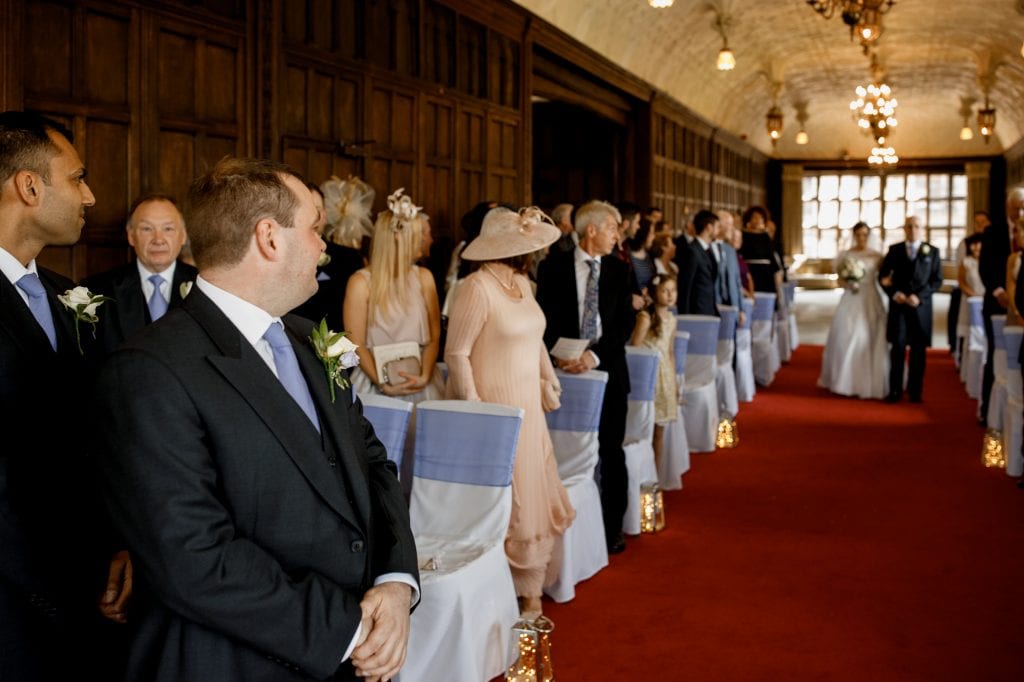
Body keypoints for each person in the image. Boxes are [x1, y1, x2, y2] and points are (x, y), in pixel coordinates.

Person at [92, 156, 418, 681]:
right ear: (269, 237)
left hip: (354, 647)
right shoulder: (149, 369)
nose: (323, 245)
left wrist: (396, 580)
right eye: (314, 228)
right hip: (240, 661)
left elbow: (374, 464)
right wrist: (352, 629)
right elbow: (194, 557)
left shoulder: (312, 341)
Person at [0, 110, 127, 679]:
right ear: (29, 186)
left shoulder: (66, 295)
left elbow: (92, 435)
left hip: (88, 593)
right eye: (77, 177)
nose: (92, 196)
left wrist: (118, 544)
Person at [445, 206, 574, 618]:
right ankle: (509, 588)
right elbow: (457, 353)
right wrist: (476, 412)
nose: (536, 250)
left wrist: (549, 377)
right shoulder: (476, 287)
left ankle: (531, 586)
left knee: (533, 489)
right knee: (513, 496)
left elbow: (536, 340)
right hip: (495, 407)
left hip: (529, 405)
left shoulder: (522, 282)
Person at [536, 200, 635, 555]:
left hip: (608, 370)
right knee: (561, 451)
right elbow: (541, 319)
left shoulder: (620, 270)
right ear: (590, 230)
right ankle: (564, 528)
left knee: (611, 449)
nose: (617, 235)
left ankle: (612, 528)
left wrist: (593, 355)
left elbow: (626, 323)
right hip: (562, 374)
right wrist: (561, 357)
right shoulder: (552, 267)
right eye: (613, 228)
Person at [343, 188, 445, 402]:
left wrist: (425, 376)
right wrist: (382, 383)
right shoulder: (361, 283)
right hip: (375, 383)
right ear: (399, 238)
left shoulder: (424, 277)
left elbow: (434, 336)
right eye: (417, 234)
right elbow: (356, 342)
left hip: (421, 380)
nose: (425, 240)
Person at [83, 193, 197, 354]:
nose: (158, 239)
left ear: (183, 235)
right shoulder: (97, 291)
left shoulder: (203, 285)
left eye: (168, 229)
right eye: (147, 229)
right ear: (131, 236)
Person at [818, 222, 889, 399]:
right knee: (847, 335)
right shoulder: (846, 255)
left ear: (869, 235)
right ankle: (845, 381)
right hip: (851, 297)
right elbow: (839, 281)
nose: (861, 238)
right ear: (854, 235)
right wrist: (849, 283)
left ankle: (871, 381)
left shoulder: (878, 256)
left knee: (869, 335)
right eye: (858, 234)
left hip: (870, 297)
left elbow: (884, 278)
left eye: (865, 235)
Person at [879, 216, 943, 403]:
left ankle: (915, 391)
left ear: (922, 229)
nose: (913, 229)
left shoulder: (932, 252)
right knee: (897, 348)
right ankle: (895, 390)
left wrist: (920, 297)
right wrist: (893, 292)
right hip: (899, 308)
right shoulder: (894, 250)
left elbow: (937, 280)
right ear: (904, 229)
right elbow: (883, 277)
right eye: (909, 226)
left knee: (918, 351)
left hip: (920, 309)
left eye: (916, 226)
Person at [290, 178, 367, 330]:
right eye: (306, 210)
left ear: (324, 216)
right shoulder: (282, 258)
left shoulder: (349, 259)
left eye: (317, 209)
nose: (314, 217)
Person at [630, 274, 679, 469]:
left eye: (673, 290)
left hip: (665, 376)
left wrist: (674, 382)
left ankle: (656, 477)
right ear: (654, 292)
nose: (669, 295)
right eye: (665, 290)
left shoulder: (671, 319)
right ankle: (644, 474)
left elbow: (670, 352)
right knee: (647, 428)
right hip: (650, 376)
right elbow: (635, 349)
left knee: (660, 430)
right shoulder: (646, 317)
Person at [676, 209, 719, 316]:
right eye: (717, 227)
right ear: (709, 227)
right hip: (696, 311)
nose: (719, 231)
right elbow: (685, 285)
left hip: (708, 309)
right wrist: (685, 315)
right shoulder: (692, 251)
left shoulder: (708, 249)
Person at [739, 205, 780, 296]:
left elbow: (771, 256)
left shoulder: (765, 236)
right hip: (749, 271)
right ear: (749, 219)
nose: (758, 220)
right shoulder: (743, 235)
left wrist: (777, 279)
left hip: (765, 273)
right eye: (755, 217)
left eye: (761, 218)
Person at [955, 233, 984, 354]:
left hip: (985, 301)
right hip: (970, 300)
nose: (976, 247)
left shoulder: (989, 262)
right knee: (969, 334)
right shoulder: (966, 262)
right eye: (973, 244)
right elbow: (961, 281)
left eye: (978, 244)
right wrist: (973, 295)